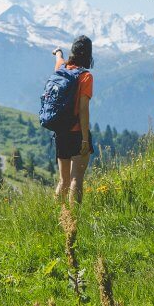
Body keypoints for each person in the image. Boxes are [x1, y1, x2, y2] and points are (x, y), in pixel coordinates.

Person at [52, 36, 94, 205]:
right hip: (77, 132)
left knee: (63, 180)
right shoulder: (85, 76)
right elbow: (83, 110)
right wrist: (85, 139)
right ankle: (74, 218)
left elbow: (59, 58)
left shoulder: (61, 68)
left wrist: (58, 52)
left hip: (60, 131)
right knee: (76, 178)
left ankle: (56, 216)